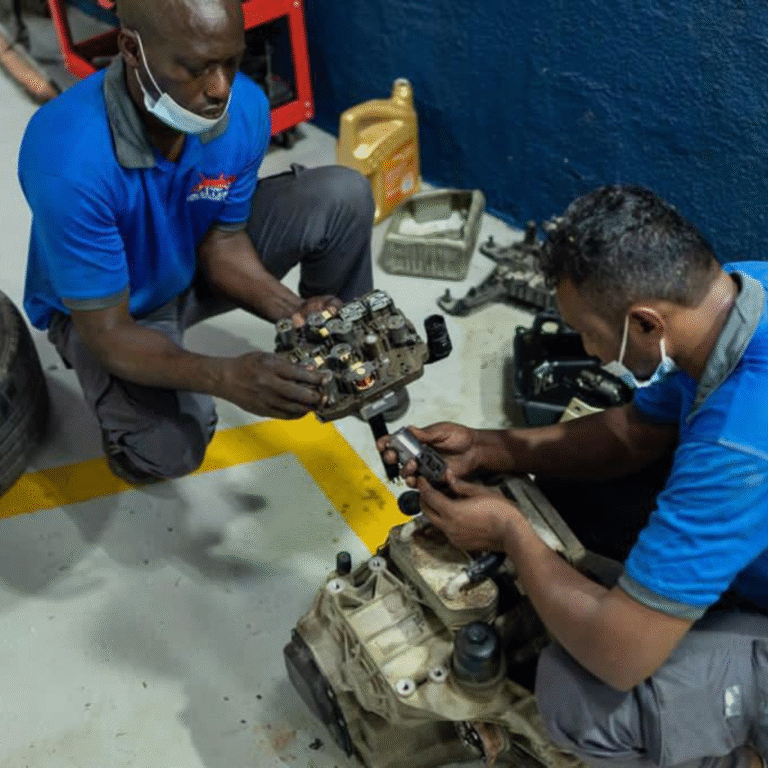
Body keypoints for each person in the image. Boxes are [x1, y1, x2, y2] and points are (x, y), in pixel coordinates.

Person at [381, 185, 768, 768]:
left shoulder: (737, 443)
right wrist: (492, 447)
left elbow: (619, 657)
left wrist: (510, 533)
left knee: (581, 695)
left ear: (644, 323)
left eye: (587, 332)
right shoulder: (736, 295)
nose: (589, 351)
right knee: (564, 486)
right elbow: (636, 431)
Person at [18, 0, 375, 484]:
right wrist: (223, 375)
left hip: (190, 260)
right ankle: (125, 422)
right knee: (170, 448)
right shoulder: (67, 158)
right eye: (196, 67)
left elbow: (223, 242)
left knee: (342, 195)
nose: (220, 88)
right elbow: (108, 330)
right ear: (131, 49)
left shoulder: (242, 108)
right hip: (112, 314)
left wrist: (295, 311)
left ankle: (342, 356)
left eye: (231, 61)